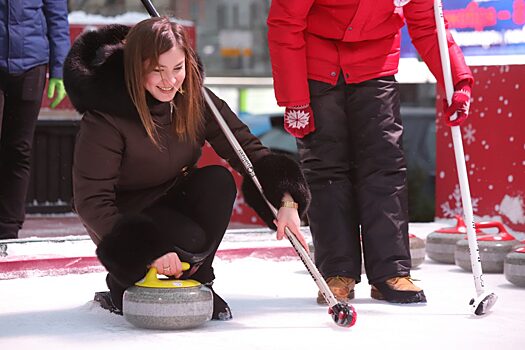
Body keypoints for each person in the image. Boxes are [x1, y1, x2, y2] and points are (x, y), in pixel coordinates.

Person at [63, 17, 311, 320]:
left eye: (177, 68)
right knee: (190, 238)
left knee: (218, 181)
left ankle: (199, 278)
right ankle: (123, 281)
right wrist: (146, 251)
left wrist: (286, 200)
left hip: (170, 199)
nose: (169, 81)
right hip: (126, 220)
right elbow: (91, 201)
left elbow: (247, 149)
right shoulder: (105, 118)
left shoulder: (194, 99)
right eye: (157, 70)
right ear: (135, 67)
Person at [267, 0, 473, 304]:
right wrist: (295, 97)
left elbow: (428, 24)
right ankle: (337, 271)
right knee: (326, 168)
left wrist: (457, 82)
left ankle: (391, 271)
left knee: (386, 165)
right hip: (318, 62)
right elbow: (285, 20)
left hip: (376, 63)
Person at [0, 0, 69, 239]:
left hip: (31, 65)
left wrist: (60, 70)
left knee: (18, 149)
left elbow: (57, 17)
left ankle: (8, 228)